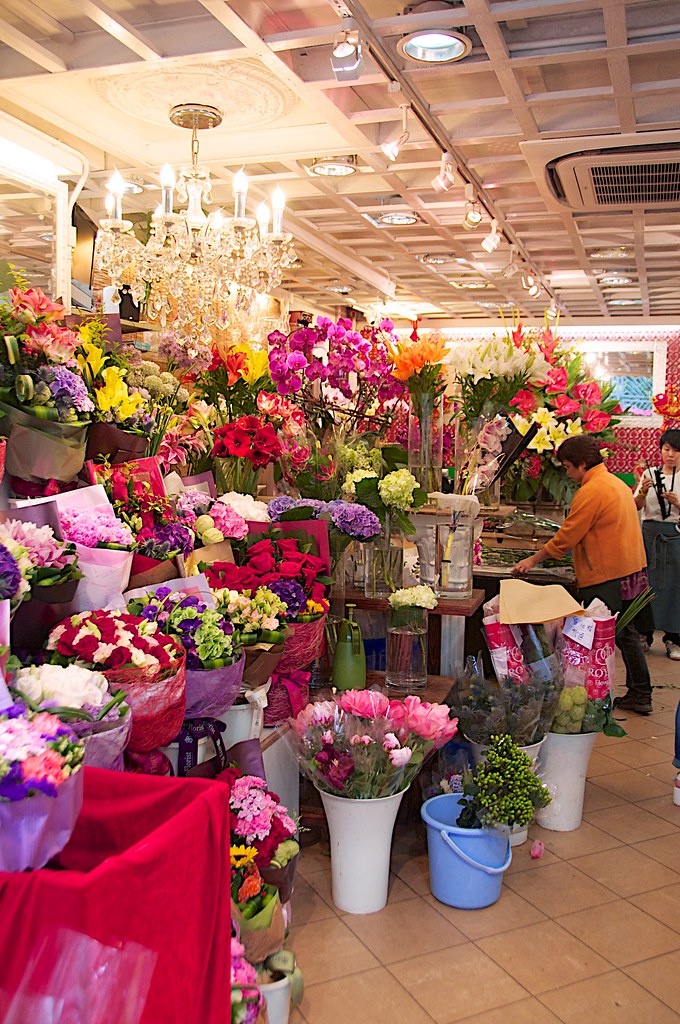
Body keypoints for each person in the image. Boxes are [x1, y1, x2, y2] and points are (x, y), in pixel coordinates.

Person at [512, 434, 653, 715]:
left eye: (567, 466)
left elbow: (568, 536)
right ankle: (639, 691)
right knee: (626, 634)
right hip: (629, 570)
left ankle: (595, 691)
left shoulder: (592, 490)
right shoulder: (614, 482)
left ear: (582, 464)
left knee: (604, 635)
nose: (566, 472)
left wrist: (533, 559)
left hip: (606, 574)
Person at [634, 429, 680, 660]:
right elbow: (636, 506)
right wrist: (642, 491)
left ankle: (673, 639)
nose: (670, 455)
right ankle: (644, 634)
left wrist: (677, 503)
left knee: (674, 588)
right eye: (666, 449)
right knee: (645, 585)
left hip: (675, 537)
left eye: (675, 451)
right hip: (650, 537)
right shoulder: (649, 474)